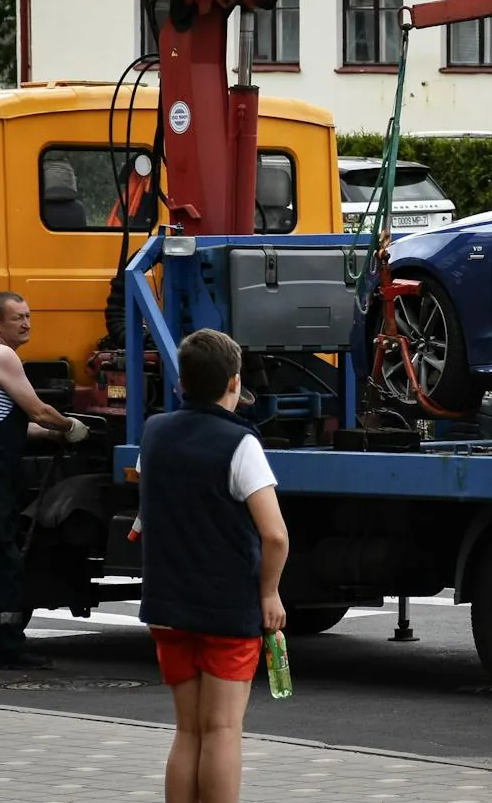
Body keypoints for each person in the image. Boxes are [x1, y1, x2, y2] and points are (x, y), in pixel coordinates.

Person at [136, 329, 289, 803]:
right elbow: (275, 534)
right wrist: (269, 593)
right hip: (224, 609)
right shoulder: (240, 445)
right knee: (222, 729)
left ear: (181, 382)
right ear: (234, 383)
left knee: (188, 731)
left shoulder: (154, 433)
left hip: (166, 605)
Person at [0, 291, 88, 676]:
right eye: (18, 318)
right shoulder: (0, 355)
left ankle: (7, 644)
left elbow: (10, 424)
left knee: (7, 558)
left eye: (29, 316)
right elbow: (39, 411)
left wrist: (49, 435)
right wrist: (71, 427)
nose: (26, 323)